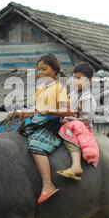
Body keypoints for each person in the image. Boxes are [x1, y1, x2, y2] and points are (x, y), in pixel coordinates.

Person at [18, 54, 72, 204]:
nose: (40, 73)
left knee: (36, 146)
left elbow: (69, 112)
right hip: (36, 123)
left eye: (44, 69)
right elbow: (37, 109)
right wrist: (23, 114)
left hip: (52, 125)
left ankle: (48, 184)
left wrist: (50, 112)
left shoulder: (58, 87)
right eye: (38, 70)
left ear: (55, 70)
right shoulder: (41, 88)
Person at [56, 62, 97, 181]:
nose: (75, 81)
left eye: (79, 78)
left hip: (82, 128)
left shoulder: (87, 98)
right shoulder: (73, 94)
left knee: (70, 126)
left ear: (89, 81)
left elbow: (86, 118)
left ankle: (76, 166)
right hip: (71, 123)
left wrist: (72, 119)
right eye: (74, 78)